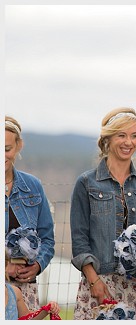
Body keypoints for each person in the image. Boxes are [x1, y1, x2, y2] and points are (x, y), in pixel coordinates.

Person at [70, 108, 136, 320]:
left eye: (134, 136)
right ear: (108, 138)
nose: (129, 142)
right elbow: (79, 239)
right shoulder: (86, 183)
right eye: (122, 135)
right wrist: (95, 283)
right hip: (99, 284)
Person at [4, 116, 55, 312]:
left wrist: (38, 265)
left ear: (19, 146)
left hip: (27, 290)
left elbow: (47, 239)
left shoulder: (33, 186)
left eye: (7, 149)